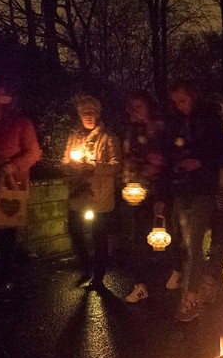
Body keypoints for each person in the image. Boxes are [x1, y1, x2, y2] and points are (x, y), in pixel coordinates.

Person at [166, 80, 223, 322]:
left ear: (193, 97)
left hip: (203, 189)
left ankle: (191, 298)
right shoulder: (178, 122)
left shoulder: (210, 121)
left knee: (194, 244)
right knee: (182, 242)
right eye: (176, 102)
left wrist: (200, 162)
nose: (179, 105)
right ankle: (208, 283)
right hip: (182, 188)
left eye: (183, 100)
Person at [0, 80, 42, 294]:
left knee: (6, 234)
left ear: (9, 98)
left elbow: (34, 152)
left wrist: (13, 165)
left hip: (10, 186)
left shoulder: (21, 122)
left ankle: (8, 277)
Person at [62, 95, 121, 289]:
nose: (88, 115)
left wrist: (94, 166)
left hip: (100, 197)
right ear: (79, 115)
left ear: (98, 114)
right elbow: (65, 161)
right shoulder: (73, 137)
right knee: (74, 230)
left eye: (92, 112)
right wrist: (71, 167)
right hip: (78, 194)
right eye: (84, 112)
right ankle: (86, 266)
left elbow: (116, 166)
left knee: (99, 236)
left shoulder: (108, 138)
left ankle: (98, 277)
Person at [121, 90, 169, 303]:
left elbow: (165, 159)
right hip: (137, 191)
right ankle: (141, 284)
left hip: (159, 191)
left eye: (139, 106)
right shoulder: (132, 130)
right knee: (139, 237)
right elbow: (128, 155)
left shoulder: (160, 129)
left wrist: (155, 171)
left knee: (162, 238)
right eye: (131, 107)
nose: (135, 111)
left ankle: (171, 274)